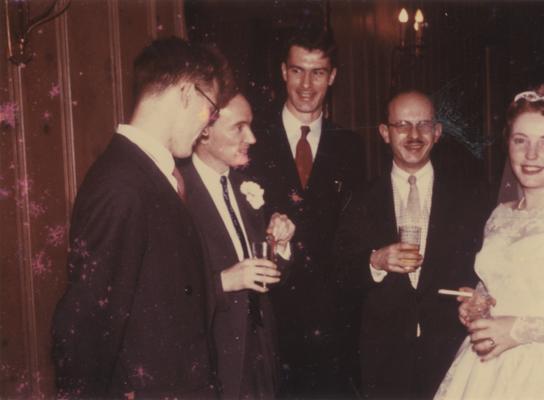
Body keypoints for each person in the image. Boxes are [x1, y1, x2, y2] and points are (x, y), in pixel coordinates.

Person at [51, 37, 234, 398]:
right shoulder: (121, 184)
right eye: (209, 111)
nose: (207, 127)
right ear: (186, 93)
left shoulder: (151, 175)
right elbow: (83, 328)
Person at [334, 90, 491, 399]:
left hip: (452, 352)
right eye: (402, 125)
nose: (414, 135)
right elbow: (339, 275)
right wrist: (375, 261)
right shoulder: (359, 198)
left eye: (423, 124)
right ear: (384, 133)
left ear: (437, 132)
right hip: (383, 359)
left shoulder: (470, 197)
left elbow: (487, 271)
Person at [244, 24, 366, 397]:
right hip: (267, 324)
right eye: (297, 70)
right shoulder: (249, 139)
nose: (307, 84)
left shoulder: (350, 148)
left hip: (333, 335)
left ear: (333, 76)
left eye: (318, 72)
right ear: (283, 71)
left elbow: (353, 237)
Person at [435, 90, 544, 399]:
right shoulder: (500, 215)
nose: (530, 154)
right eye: (520, 140)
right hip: (487, 369)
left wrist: (517, 330)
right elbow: (499, 286)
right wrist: (478, 302)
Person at [178, 93, 296, 399]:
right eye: (239, 128)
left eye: (251, 126)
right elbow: (164, 292)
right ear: (204, 132)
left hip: (261, 353)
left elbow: (263, 270)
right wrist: (224, 282)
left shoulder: (247, 185)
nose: (252, 138)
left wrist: (280, 244)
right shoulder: (177, 193)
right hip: (212, 359)